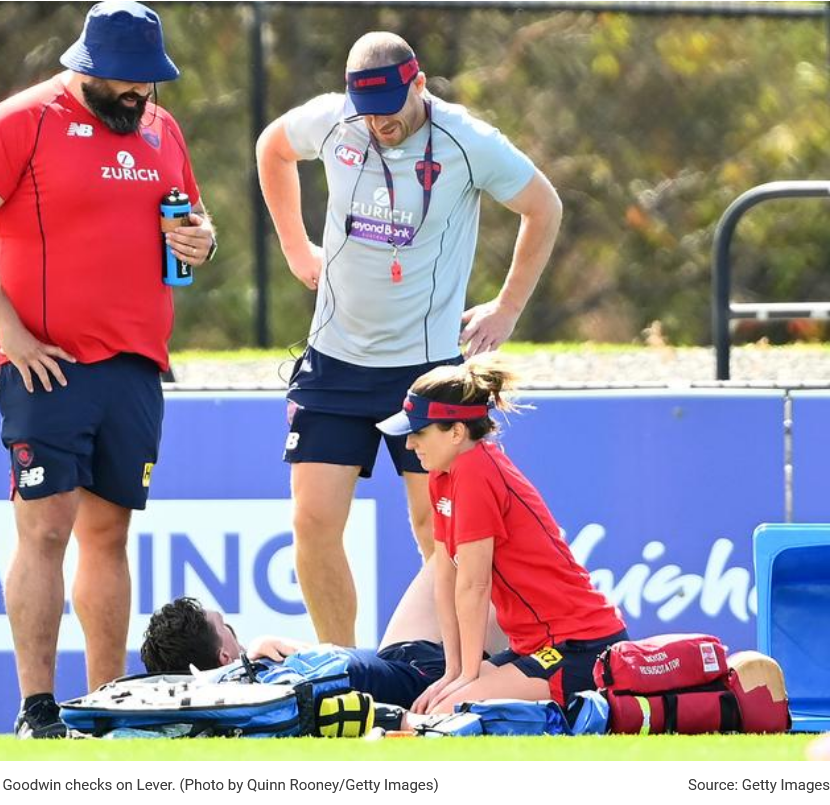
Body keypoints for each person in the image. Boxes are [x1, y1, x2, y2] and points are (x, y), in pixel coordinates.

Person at [0, 1, 216, 739]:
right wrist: (8, 329)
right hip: (47, 364)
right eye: (126, 80)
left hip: (137, 364)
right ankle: (37, 707)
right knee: (45, 529)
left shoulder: (161, 128)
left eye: (149, 82)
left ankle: (106, 702)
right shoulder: (23, 119)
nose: (139, 94)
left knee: (108, 534)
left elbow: (190, 226)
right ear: (86, 67)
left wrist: (199, 240)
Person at [256, 31, 562, 647]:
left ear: (418, 86)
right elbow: (273, 147)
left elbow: (543, 206)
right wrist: (294, 246)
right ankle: (341, 671)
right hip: (334, 361)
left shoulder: (465, 141)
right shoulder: (337, 120)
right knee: (312, 524)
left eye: (389, 110)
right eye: (366, 112)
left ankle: (452, 671)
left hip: (424, 372)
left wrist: (506, 309)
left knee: (439, 529)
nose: (377, 124)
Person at [375, 355, 628, 715]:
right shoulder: (443, 473)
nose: (410, 444)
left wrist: (469, 677)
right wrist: (454, 671)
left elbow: (474, 585)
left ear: (457, 432)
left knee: (447, 712)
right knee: (434, 705)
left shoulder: (475, 470)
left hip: (581, 646)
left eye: (419, 432)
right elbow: (446, 576)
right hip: (536, 645)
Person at [140, 560, 507, 712]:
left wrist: (255, 651)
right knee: (490, 567)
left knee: (449, 552)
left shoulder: (263, 666)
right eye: (229, 630)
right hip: (433, 678)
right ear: (223, 659)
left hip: (395, 653)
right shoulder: (266, 703)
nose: (241, 636)